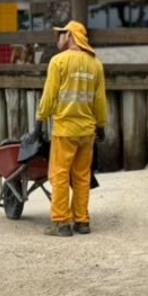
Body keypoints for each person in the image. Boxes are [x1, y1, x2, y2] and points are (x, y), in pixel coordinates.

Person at [34, 20, 107, 237]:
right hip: (87, 132)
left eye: (61, 34)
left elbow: (49, 95)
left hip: (65, 130)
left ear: (70, 35)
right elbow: (100, 100)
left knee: (59, 175)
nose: (58, 38)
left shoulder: (58, 61)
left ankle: (61, 223)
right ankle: (82, 221)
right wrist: (101, 125)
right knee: (82, 176)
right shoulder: (96, 64)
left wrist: (40, 119)